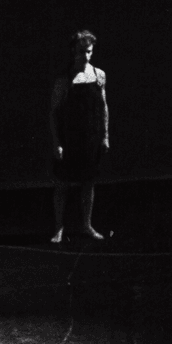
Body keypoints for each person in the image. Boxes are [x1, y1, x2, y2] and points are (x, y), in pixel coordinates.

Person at [50, 29, 109, 243]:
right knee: (62, 185)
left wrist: (105, 136)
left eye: (89, 52)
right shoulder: (64, 80)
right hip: (69, 139)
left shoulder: (99, 75)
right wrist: (57, 143)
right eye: (81, 52)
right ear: (73, 51)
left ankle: (86, 225)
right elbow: (54, 113)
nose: (85, 56)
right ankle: (59, 227)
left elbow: (104, 107)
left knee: (88, 183)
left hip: (91, 138)